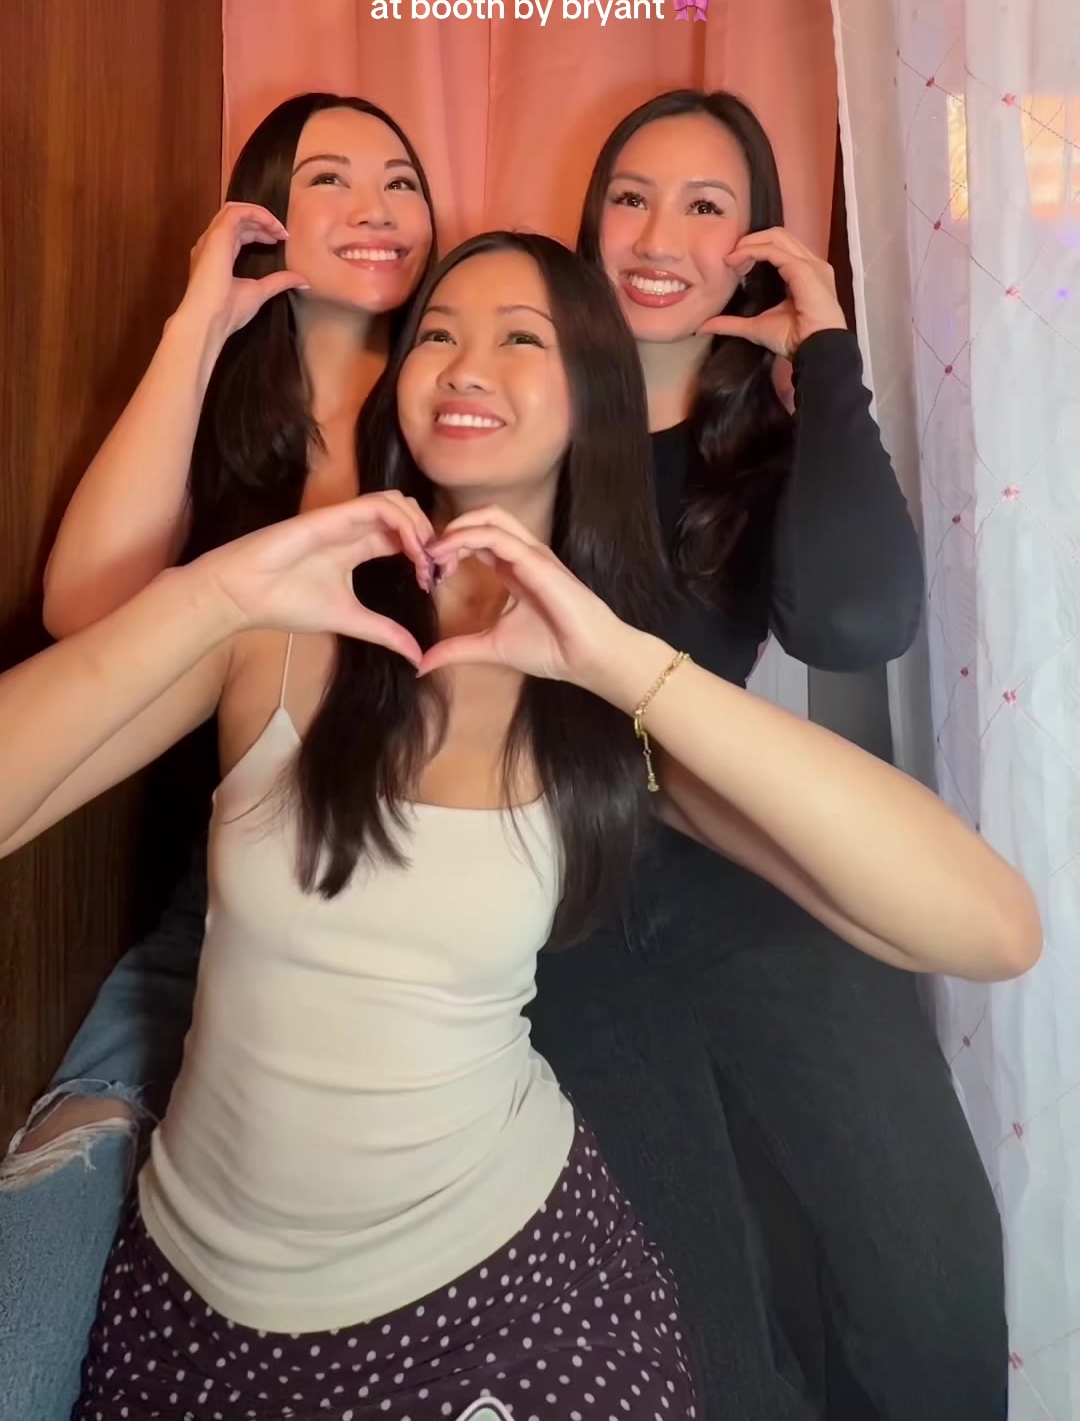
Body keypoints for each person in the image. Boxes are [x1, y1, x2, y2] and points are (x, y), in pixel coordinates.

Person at [0, 234, 1039, 1421]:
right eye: (437, 333)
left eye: (520, 338)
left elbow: (990, 927)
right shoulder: (282, 617)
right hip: (193, 1303)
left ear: (593, 394)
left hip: (499, 1295)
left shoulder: (605, 695)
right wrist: (214, 594)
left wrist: (632, 667)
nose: (464, 363)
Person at [522, 88, 1007, 1420]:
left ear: (754, 246)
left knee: (931, 1267)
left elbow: (857, 622)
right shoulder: (521, 396)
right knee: (693, 1314)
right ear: (590, 220)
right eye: (631, 198)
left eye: (705, 207)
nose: (657, 236)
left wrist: (828, 353)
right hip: (546, 885)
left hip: (726, 854)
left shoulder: (773, 435)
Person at [0, 90, 436, 1421]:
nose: (376, 207)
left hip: (402, 974)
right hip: (191, 968)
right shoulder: (231, 470)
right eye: (330, 179)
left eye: (402, 179)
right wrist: (200, 322)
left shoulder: (459, 431)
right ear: (266, 216)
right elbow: (85, 615)